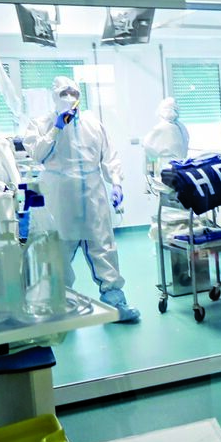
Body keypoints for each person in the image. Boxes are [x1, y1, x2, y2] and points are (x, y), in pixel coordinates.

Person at [25, 76, 140, 323]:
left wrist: (116, 183)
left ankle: (115, 301)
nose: (69, 97)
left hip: (93, 192)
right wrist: (56, 128)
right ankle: (58, 302)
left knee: (103, 244)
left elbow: (109, 156)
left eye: (73, 92)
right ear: (54, 96)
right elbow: (37, 155)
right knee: (59, 247)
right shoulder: (42, 123)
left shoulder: (93, 123)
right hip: (60, 194)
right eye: (63, 93)